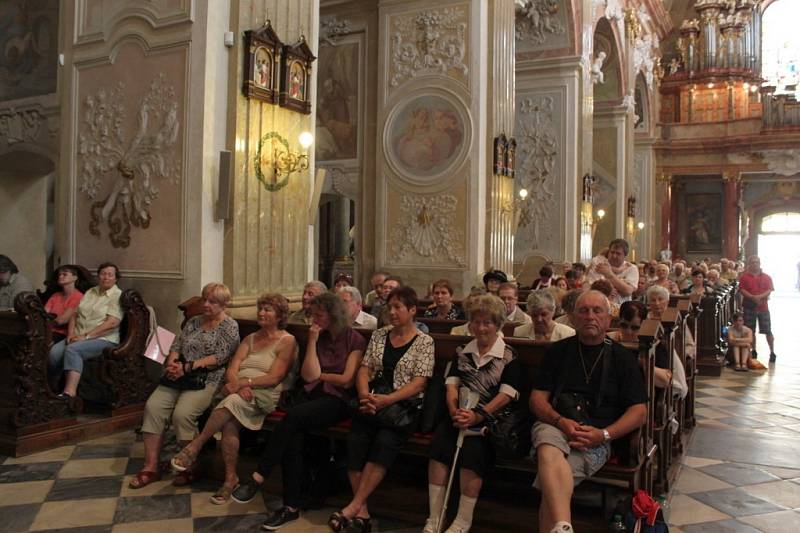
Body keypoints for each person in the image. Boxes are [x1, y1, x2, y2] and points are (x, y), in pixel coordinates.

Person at [230, 293, 366, 529]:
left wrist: (320, 375)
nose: (314, 319)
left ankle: (259, 476)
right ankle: (290, 506)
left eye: (319, 314)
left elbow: (346, 380)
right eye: (312, 314)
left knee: (291, 418)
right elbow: (306, 375)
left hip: (338, 401)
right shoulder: (319, 338)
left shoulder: (354, 340)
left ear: (333, 314)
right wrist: (312, 341)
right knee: (293, 435)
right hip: (312, 397)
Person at [530, 290, 647, 533]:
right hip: (555, 425)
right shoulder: (558, 351)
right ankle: (564, 527)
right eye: (583, 311)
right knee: (548, 444)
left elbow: (639, 411)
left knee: (549, 483)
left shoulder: (622, 357)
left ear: (608, 319)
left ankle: (561, 527)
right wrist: (560, 421)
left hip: (595, 438)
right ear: (572, 318)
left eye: (597, 311)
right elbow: (537, 400)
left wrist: (603, 435)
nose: (590, 316)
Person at [169, 292, 296, 501]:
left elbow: (275, 377)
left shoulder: (287, 341)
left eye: (267, 309)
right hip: (238, 391)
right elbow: (232, 368)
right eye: (260, 308)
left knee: (232, 403)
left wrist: (245, 384)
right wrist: (236, 385)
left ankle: (195, 445)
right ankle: (230, 479)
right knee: (229, 422)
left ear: (280, 315)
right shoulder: (251, 338)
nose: (261, 313)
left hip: (263, 392)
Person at [329, 286, 435, 532]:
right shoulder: (379, 335)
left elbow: (419, 382)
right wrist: (365, 394)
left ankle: (352, 507)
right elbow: (365, 368)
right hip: (372, 403)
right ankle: (362, 512)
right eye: (390, 307)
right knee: (356, 442)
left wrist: (389, 400)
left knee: (384, 443)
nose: (393, 312)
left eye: (398, 307)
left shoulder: (424, 341)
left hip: (402, 408)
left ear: (412, 310)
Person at [424, 295, 523, 533]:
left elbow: (506, 395)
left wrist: (478, 416)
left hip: (490, 421)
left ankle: (462, 521)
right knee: (439, 449)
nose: (481, 327)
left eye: (487, 322)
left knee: (473, 453)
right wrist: (455, 412)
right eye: (476, 322)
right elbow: (451, 385)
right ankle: (435, 517)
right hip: (459, 415)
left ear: (497, 324)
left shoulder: (509, 355)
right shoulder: (462, 352)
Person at [131, 283, 240, 490]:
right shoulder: (194, 321)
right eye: (204, 299)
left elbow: (220, 356)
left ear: (224, 304)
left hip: (207, 378)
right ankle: (151, 466)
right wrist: (172, 362)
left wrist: (188, 367)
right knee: (153, 407)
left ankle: (190, 465)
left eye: (212, 301)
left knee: (183, 414)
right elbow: (176, 345)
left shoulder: (229, 326)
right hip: (179, 375)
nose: (206, 304)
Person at [48, 262, 123, 400]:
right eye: (102, 274)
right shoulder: (90, 292)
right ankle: (53, 388)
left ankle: (69, 393)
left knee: (73, 350)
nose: (105, 277)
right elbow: (75, 315)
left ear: (116, 278)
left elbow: (112, 323)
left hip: (103, 340)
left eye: (109, 275)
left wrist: (86, 336)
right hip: (77, 336)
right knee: (53, 353)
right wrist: (71, 334)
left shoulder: (117, 295)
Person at [646, 285, 689, 399]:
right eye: (653, 300)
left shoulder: (675, 319)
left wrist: (686, 356)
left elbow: (689, 344)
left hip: (671, 356)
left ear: (668, 301)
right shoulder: (645, 319)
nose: (656, 303)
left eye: (660, 299)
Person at [738, 255, 776, 362]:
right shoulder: (744, 277)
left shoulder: (766, 277)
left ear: (760, 263)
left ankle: (772, 352)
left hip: (763, 307)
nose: (755, 264)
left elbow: (769, 289)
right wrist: (752, 297)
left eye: (757, 262)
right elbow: (741, 289)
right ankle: (753, 350)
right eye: (753, 262)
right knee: (750, 330)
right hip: (749, 306)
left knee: (768, 330)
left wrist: (759, 297)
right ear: (749, 264)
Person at [585, 239, 638, 305]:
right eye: (612, 252)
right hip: (599, 305)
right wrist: (607, 290)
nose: (614, 256)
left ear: (625, 256)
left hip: (621, 307)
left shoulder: (631, 268)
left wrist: (610, 275)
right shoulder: (600, 264)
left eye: (618, 254)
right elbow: (591, 286)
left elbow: (628, 291)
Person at [43, 265, 86, 343]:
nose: (60, 276)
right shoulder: (55, 295)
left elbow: (62, 320)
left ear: (75, 278)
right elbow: (43, 315)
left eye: (64, 274)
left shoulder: (78, 296)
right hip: (47, 331)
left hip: (63, 334)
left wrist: (48, 320)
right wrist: (49, 320)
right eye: (59, 275)